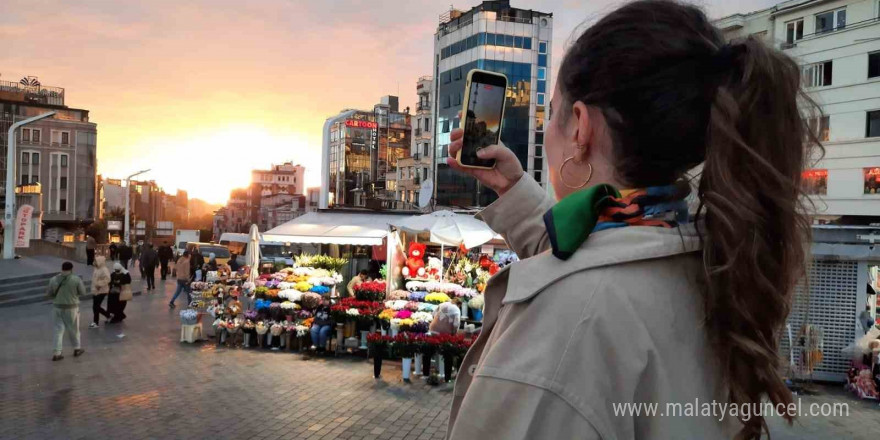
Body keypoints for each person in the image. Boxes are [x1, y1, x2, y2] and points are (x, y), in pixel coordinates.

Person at [443, 2, 819, 439]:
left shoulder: (565, 324)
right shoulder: (703, 264)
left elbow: (586, 287)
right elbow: (596, 257)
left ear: (581, 126)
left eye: (552, 111)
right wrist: (513, 188)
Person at [47, 261, 86, 361]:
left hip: (57, 307)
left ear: (62, 268)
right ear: (72, 269)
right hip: (72, 307)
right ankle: (77, 348)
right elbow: (83, 292)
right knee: (74, 329)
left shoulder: (53, 279)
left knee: (58, 330)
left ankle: (57, 353)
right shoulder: (76, 279)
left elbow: (49, 294)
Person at [89, 256, 112, 328]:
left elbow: (108, 279)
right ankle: (108, 315)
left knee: (96, 306)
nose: (95, 262)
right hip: (96, 290)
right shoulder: (96, 268)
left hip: (102, 290)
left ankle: (96, 322)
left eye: (96, 261)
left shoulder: (104, 269)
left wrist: (99, 284)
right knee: (96, 306)